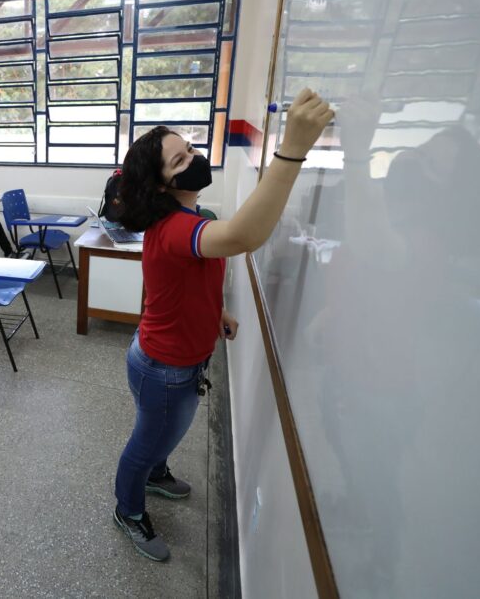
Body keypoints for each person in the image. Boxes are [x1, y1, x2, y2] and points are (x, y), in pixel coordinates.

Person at [111, 89, 333, 561]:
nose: (193, 158)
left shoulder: (192, 216)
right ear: (162, 185)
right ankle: (128, 509)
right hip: (165, 370)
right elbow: (243, 236)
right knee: (145, 442)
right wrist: (291, 149)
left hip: (165, 358)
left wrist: (217, 312)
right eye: (179, 160)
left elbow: (177, 286)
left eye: (190, 149)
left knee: (157, 435)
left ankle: (155, 473)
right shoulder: (175, 228)